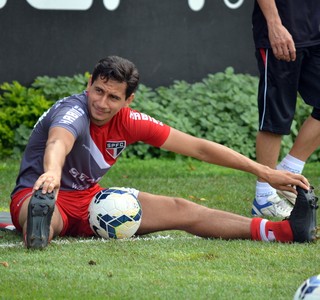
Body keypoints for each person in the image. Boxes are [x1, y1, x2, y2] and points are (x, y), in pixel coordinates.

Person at [10, 56, 318, 250]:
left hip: (91, 200)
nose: (101, 103)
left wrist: (264, 172)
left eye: (113, 97)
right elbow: (57, 143)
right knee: (44, 215)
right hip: (41, 190)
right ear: (89, 83)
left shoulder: (130, 121)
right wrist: (51, 172)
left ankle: (284, 231)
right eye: (98, 90)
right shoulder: (72, 111)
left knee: (181, 208)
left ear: (128, 99)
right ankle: (40, 225)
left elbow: (199, 148)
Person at [251, 0, 320, 218]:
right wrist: (274, 24)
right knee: (276, 115)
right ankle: (264, 196)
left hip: (315, 31)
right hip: (282, 30)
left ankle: (289, 170)